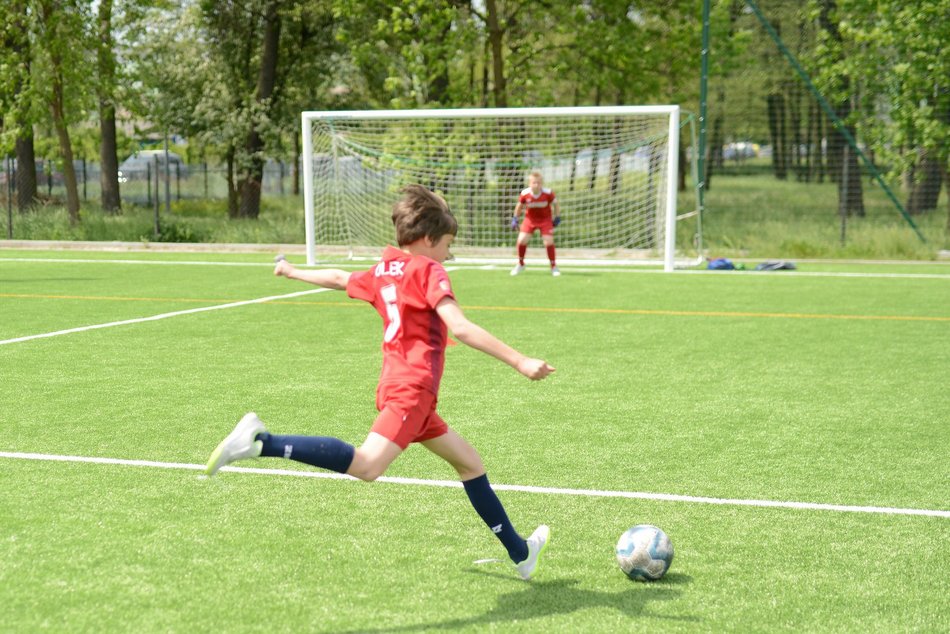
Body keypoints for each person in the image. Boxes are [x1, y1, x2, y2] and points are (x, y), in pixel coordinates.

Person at [205, 184, 555, 580]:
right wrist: (520, 360)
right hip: (413, 390)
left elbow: (340, 277)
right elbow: (460, 327)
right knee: (368, 465)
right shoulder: (428, 270)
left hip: (399, 386)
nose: (448, 254)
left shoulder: (385, 269)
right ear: (428, 239)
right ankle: (262, 442)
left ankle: (521, 552)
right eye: (447, 245)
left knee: (469, 463)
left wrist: (291, 270)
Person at [510, 171, 561, 277]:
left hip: (545, 219)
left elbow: (556, 204)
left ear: (542, 183)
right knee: (521, 240)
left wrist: (557, 217)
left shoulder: (548, 193)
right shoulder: (525, 193)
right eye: (534, 182)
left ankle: (553, 266)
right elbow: (519, 206)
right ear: (530, 183)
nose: (536, 185)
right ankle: (520, 264)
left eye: (538, 183)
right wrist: (515, 218)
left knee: (548, 241)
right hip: (530, 219)